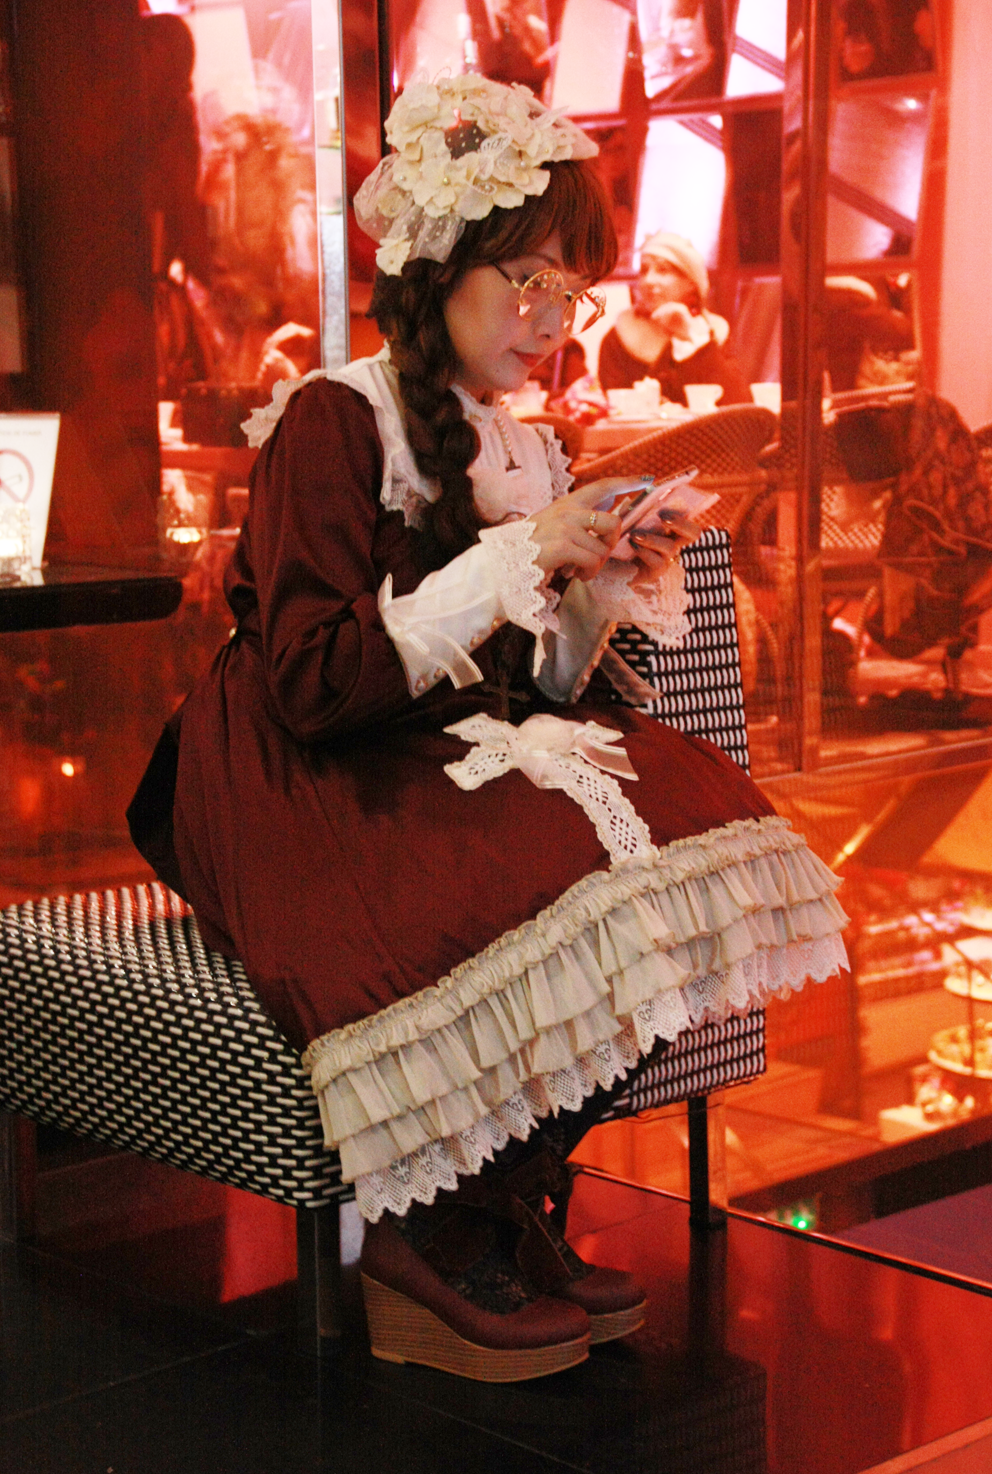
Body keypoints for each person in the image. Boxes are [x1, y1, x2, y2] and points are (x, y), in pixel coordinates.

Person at [128, 75, 848, 1383]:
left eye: (571, 290)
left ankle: (497, 1199)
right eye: (526, 279)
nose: (553, 321)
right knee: (574, 867)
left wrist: (595, 592)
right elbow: (314, 680)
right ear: (439, 263)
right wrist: (520, 556)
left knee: (688, 833)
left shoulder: (520, 443)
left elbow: (536, 683)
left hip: (440, 738)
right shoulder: (337, 416)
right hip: (306, 765)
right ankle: (425, 1235)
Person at [597, 231, 750, 406]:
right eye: (644, 270)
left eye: (663, 270)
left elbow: (738, 404)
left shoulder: (712, 334)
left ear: (690, 283)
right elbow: (616, 410)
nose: (649, 280)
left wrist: (692, 341)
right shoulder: (619, 339)